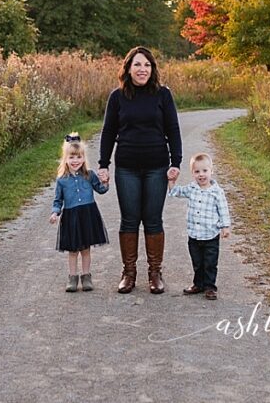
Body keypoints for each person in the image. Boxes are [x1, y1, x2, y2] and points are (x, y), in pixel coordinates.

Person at [98, 46, 182, 294]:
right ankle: (129, 273)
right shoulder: (117, 97)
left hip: (157, 166)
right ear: (128, 68)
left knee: (153, 219)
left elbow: (173, 130)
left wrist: (175, 162)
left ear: (152, 69)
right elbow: (108, 132)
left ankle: (155, 273)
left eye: (147, 65)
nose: (142, 69)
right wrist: (104, 164)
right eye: (137, 64)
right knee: (130, 219)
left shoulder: (163, 95)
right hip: (127, 168)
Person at [167, 152, 231, 300]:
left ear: (211, 171)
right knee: (197, 262)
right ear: (192, 173)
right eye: (197, 172)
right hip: (194, 234)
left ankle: (210, 287)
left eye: (204, 171)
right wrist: (172, 181)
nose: (201, 175)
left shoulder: (217, 192)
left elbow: (223, 210)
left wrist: (225, 227)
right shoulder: (192, 188)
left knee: (209, 263)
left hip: (210, 235)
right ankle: (198, 284)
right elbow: (177, 192)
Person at [50, 133, 110, 292]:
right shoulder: (62, 179)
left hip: (87, 215)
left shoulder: (89, 175)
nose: (75, 160)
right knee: (72, 250)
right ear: (65, 159)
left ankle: (86, 276)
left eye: (78, 157)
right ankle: (72, 277)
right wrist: (55, 212)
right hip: (71, 217)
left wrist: (105, 182)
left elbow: (101, 190)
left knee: (85, 249)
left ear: (83, 158)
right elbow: (58, 200)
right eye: (71, 157)